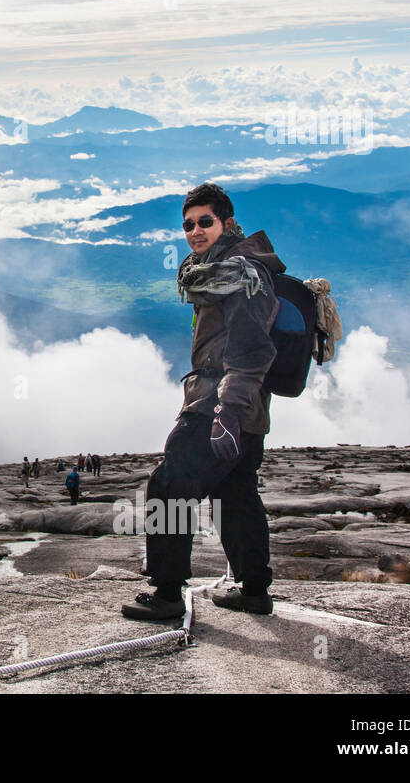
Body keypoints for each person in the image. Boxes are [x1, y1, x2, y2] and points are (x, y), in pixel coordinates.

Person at [122, 183, 280, 621]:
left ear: (226, 223)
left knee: (170, 485)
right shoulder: (217, 270)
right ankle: (253, 590)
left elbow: (252, 351)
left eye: (205, 222)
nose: (195, 231)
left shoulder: (244, 274)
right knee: (235, 493)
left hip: (221, 403)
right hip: (249, 408)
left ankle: (168, 592)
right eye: (188, 225)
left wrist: (226, 411)